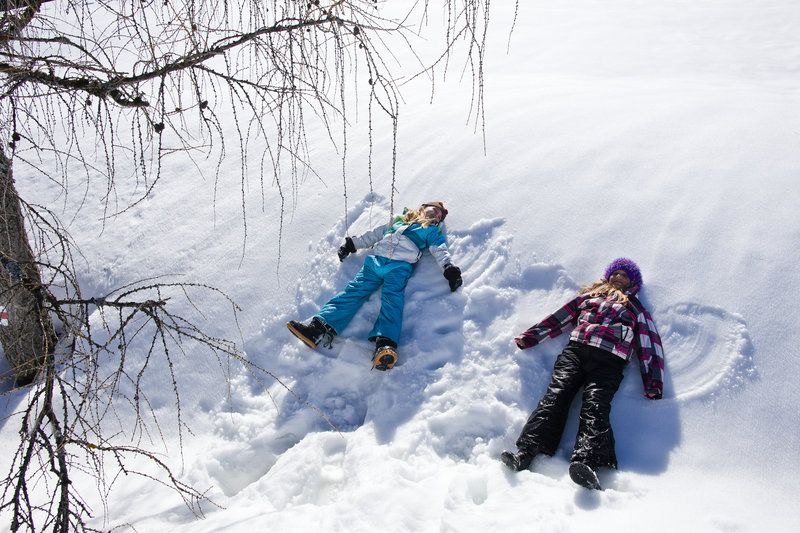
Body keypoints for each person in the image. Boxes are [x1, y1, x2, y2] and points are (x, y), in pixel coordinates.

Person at [500, 258, 665, 490]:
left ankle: (586, 463)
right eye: (615, 272)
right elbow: (559, 319)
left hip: (610, 360)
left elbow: (649, 346)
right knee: (555, 397)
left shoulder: (635, 309)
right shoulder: (589, 298)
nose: (618, 277)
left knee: (595, 406)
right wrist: (531, 337)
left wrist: (653, 382)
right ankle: (526, 452)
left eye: (624, 275)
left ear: (632, 283)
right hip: (576, 352)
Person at [287, 201, 463, 371]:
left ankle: (385, 344)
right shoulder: (401, 220)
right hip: (375, 261)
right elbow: (376, 234)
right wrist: (353, 244)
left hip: (399, 266)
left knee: (392, 299)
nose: (437, 213)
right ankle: (318, 329)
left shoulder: (431, 230)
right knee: (353, 291)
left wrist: (448, 268)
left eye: (440, 215)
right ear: (424, 208)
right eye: (436, 208)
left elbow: (440, 249)